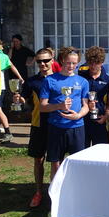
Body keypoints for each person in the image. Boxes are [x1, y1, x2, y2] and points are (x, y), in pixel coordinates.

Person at [39, 46, 89, 180]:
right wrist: (59, 106)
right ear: (61, 60)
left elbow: (86, 106)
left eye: (74, 63)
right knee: (56, 164)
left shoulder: (83, 81)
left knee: (77, 164)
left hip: (76, 127)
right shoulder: (50, 80)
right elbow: (42, 107)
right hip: (56, 127)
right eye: (68, 62)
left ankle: (75, 195)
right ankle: (55, 196)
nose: (71, 66)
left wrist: (78, 115)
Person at [13, 48, 54, 207]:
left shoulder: (59, 79)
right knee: (38, 159)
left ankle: (54, 192)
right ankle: (38, 192)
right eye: (39, 61)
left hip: (56, 125)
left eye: (46, 60)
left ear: (52, 60)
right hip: (38, 124)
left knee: (56, 161)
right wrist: (19, 99)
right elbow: (25, 100)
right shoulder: (31, 81)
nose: (43, 64)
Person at [78, 46, 109, 146]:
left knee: (101, 155)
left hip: (100, 121)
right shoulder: (80, 78)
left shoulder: (108, 80)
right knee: (82, 154)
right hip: (83, 121)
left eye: (96, 63)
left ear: (101, 63)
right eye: (90, 63)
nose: (93, 66)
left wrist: (106, 116)